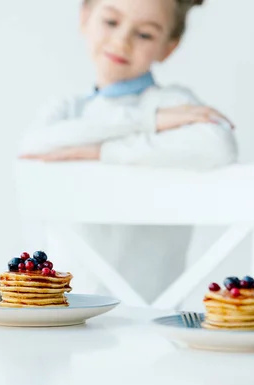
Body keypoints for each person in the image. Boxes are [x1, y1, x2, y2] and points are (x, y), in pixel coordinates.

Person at [19, 0, 238, 304]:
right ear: (85, 17)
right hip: (66, 311)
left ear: (168, 47)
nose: (122, 41)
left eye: (145, 35)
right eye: (111, 22)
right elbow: (33, 146)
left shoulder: (175, 102)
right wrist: (149, 120)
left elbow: (218, 145)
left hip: (150, 315)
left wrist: (102, 151)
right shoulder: (70, 109)